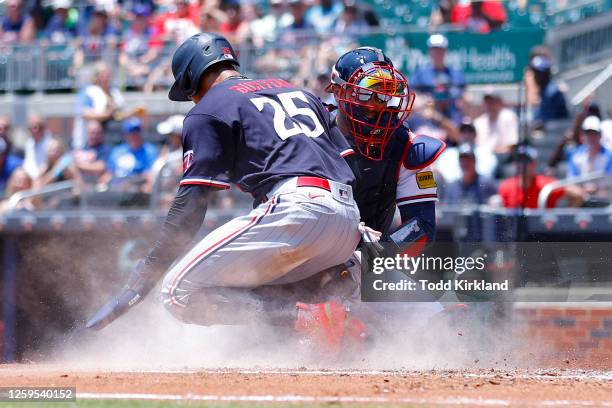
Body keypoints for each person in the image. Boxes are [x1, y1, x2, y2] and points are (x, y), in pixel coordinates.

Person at [86, 33, 361, 332]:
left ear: (192, 76)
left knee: (177, 293)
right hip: (347, 218)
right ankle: (345, 314)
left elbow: (191, 205)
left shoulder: (208, 107)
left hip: (297, 210)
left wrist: (147, 272)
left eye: (188, 90)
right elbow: (350, 163)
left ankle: (305, 320)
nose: (192, 98)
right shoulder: (298, 90)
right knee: (258, 286)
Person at [497, 146, 581, 209]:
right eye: (519, 161)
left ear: (534, 164)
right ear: (514, 164)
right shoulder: (506, 186)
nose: (522, 165)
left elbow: (577, 194)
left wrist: (564, 218)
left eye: (526, 161)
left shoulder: (545, 184)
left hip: (542, 231)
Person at [410, 33, 465, 124]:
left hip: (451, 117)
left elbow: (463, 96)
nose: (438, 53)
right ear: (430, 51)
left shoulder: (455, 74)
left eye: (441, 50)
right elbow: (412, 97)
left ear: (445, 51)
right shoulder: (420, 74)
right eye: (434, 49)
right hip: (427, 120)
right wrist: (425, 100)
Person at [72, 62, 125, 150]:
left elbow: (119, 115)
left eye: (108, 75)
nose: (106, 78)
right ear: (96, 76)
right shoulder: (88, 92)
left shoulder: (114, 93)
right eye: (103, 75)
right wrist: (109, 114)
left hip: (112, 140)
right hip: (89, 143)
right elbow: (86, 114)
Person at [103, 117, 159, 186]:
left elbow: (150, 175)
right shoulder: (117, 151)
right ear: (125, 135)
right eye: (131, 133)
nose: (134, 135)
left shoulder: (150, 151)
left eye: (137, 132)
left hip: (138, 189)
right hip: (117, 190)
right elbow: (109, 173)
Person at [527, 54, 569, 124]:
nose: (536, 76)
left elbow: (547, 119)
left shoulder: (553, 92)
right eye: (535, 72)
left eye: (539, 73)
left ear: (546, 73)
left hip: (555, 131)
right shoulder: (542, 90)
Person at [72, 120, 112, 185]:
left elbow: (100, 167)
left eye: (97, 133)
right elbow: (71, 166)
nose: (95, 135)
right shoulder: (82, 149)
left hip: (98, 185)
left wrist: (79, 166)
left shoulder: (105, 149)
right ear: (87, 133)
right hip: (82, 185)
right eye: (92, 133)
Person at [23, 115, 55, 179]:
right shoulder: (29, 143)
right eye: (33, 127)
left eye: (40, 127)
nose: (36, 130)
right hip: (30, 180)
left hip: (46, 180)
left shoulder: (52, 143)